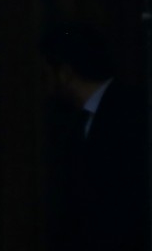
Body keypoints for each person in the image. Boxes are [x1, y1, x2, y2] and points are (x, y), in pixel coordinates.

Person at [40, 21, 149, 251]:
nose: (45, 84)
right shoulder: (78, 122)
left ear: (65, 73)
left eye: (46, 74)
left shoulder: (130, 114)